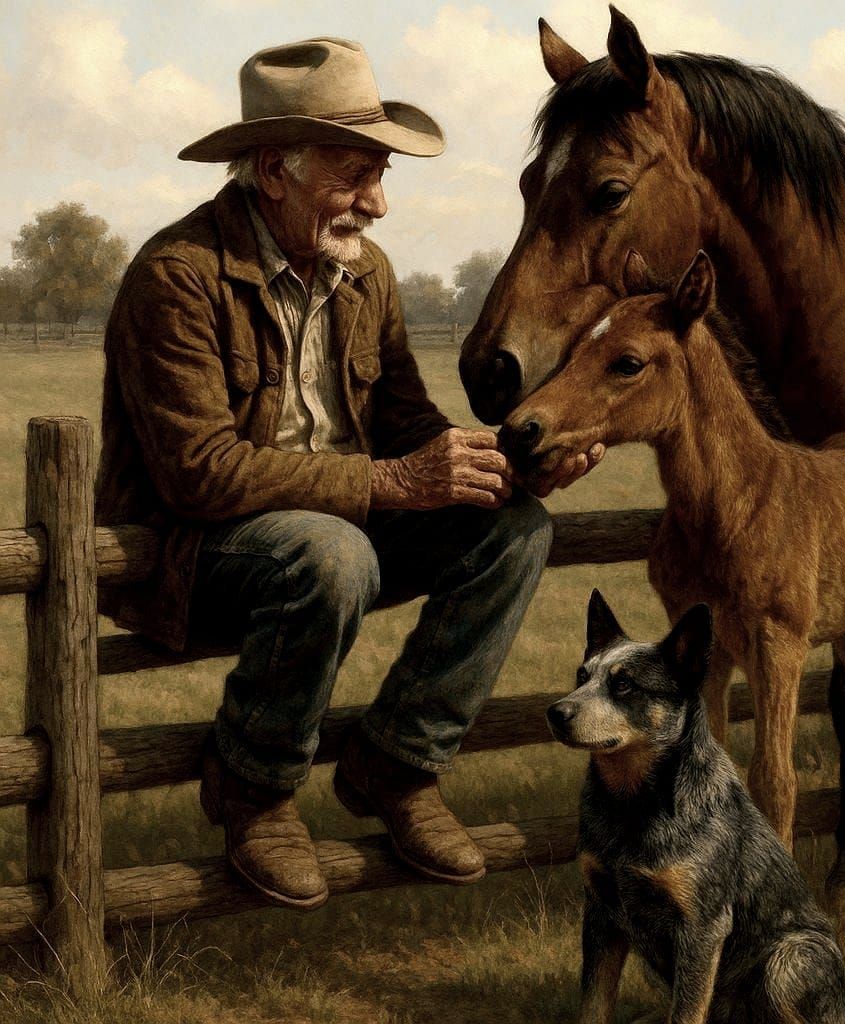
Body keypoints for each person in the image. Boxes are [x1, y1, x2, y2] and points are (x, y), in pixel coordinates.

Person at [96, 37, 603, 909]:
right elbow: (198, 476)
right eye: (354, 175)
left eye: (381, 175)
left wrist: (502, 470)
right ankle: (253, 790)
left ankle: (397, 766)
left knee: (515, 530)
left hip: (344, 531)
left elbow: (406, 425)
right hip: (198, 553)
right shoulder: (176, 276)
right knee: (334, 554)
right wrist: (394, 486)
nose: (375, 204)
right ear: (272, 170)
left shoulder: (364, 274)